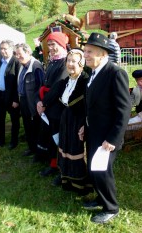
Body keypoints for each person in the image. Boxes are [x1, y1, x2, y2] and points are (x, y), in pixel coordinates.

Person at [78, 32, 131, 224]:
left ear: (102, 53)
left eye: (90, 52)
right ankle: (101, 198)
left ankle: (111, 207)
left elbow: (124, 110)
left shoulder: (115, 73)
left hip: (107, 137)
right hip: (94, 132)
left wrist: (113, 139)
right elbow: (91, 106)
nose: (86, 55)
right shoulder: (93, 73)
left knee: (102, 171)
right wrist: (85, 126)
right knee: (94, 170)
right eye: (85, 51)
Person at [42, 48, 91, 193]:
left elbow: (88, 106)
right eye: (68, 61)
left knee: (76, 151)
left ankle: (80, 183)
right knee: (64, 149)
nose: (70, 64)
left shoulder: (85, 81)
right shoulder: (67, 80)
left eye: (74, 61)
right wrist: (42, 103)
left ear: (81, 64)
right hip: (66, 119)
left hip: (78, 121)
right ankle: (66, 177)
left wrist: (84, 124)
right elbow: (55, 95)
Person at [36, 31, 69, 176]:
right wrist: (40, 99)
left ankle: (59, 166)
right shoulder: (53, 60)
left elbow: (57, 86)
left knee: (57, 136)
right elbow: (45, 82)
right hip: (49, 104)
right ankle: (52, 162)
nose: (51, 47)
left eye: (54, 44)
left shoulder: (65, 62)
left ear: (61, 45)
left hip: (57, 106)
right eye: (49, 44)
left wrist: (43, 102)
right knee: (51, 135)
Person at [15, 43, 44, 157]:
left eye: (20, 54)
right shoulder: (22, 65)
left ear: (28, 52)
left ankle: (38, 151)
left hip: (33, 102)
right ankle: (31, 148)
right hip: (23, 100)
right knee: (27, 125)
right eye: (16, 54)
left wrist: (37, 103)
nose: (18, 56)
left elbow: (41, 87)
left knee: (35, 127)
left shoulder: (36, 66)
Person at [0, 40, 21, 151]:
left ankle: (14, 141)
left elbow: (18, 82)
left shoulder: (16, 62)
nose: (2, 51)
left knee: (14, 120)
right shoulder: (1, 61)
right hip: (0, 95)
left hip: (12, 97)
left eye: (5, 49)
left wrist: (16, 100)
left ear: (11, 49)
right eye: (1, 49)